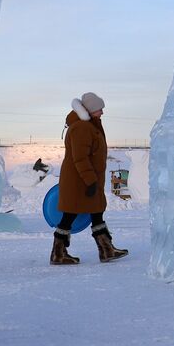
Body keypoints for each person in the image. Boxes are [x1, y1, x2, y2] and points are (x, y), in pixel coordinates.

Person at [51, 92, 129, 265]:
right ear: (90, 109)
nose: (102, 112)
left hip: (86, 180)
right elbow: (81, 158)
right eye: (99, 109)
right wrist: (90, 181)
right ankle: (58, 253)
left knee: (96, 212)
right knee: (69, 215)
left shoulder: (89, 125)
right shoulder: (82, 128)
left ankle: (106, 250)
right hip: (81, 181)